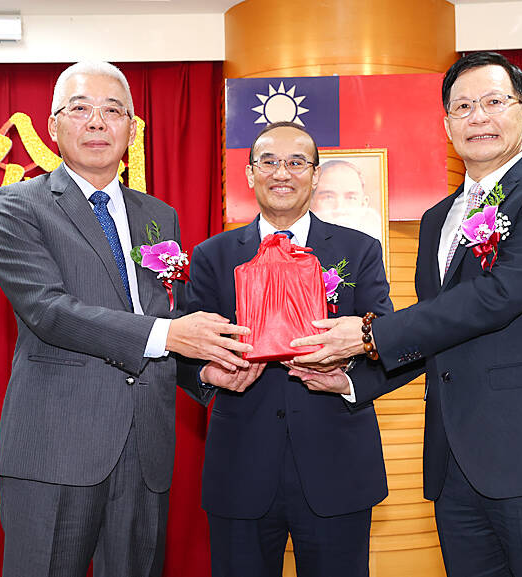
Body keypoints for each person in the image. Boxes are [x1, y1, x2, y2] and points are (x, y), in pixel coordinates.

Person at [291, 52, 522, 577]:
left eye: (493, 102)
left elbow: (497, 296)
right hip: (454, 464)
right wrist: (355, 383)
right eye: (462, 107)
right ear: (445, 125)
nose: (477, 117)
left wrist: (371, 333)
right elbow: (442, 323)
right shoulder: (438, 217)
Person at [0, 61, 251, 577]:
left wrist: (203, 371)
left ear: (132, 129)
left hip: (145, 447)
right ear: (53, 125)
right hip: (56, 445)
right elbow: (48, 310)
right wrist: (171, 333)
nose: (96, 122)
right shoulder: (18, 205)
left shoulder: (159, 215)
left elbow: (163, 320)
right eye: (80, 109)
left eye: (113, 111)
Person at [185, 121, 392, 577]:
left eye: (297, 162)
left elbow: (389, 341)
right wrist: (206, 375)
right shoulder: (212, 255)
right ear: (249, 173)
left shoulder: (359, 251)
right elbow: (184, 354)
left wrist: (349, 381)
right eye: (270, 162)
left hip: (337, 465)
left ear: (315, 175)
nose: (283, 172)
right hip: (241, 467)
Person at [310, 159, 383, 240]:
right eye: (328, 197)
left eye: (351, 198)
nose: (339, 208)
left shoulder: (371, 247)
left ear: (364, 204)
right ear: (311, 203)